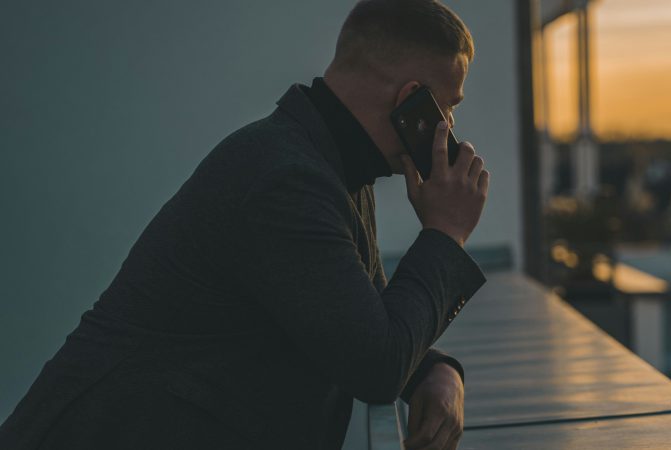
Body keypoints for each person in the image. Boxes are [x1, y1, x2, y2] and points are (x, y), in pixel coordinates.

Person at [0, 0, 489, 449]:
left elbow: (356, 319)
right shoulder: (287, 181)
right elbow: (375, 363)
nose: (448, 125)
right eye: (447, 107)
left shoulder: (323, 165)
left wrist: (438, 372)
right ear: (411, 99)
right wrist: (445, 233)